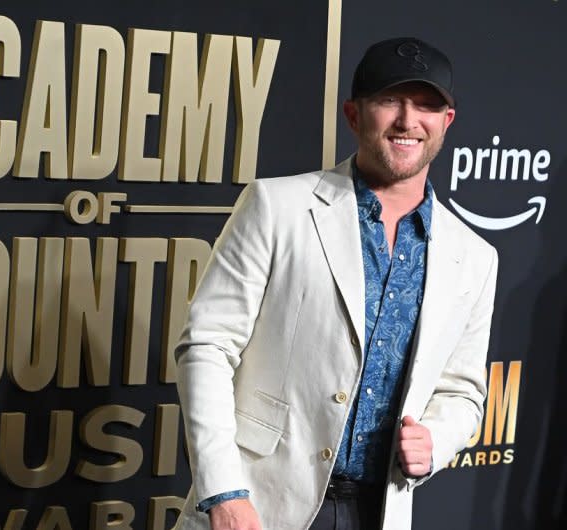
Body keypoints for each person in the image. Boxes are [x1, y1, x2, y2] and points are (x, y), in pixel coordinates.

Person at [173, 37, 499, 530]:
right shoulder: (275, 207)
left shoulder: (474, 257)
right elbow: (208, 346)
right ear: (353, 114)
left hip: (381, 508)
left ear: (446, 121)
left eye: (427, 104)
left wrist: (436, 438)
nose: (409, 120)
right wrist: (224, 491)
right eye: (390, 100)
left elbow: (463, 391)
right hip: (261, 501)